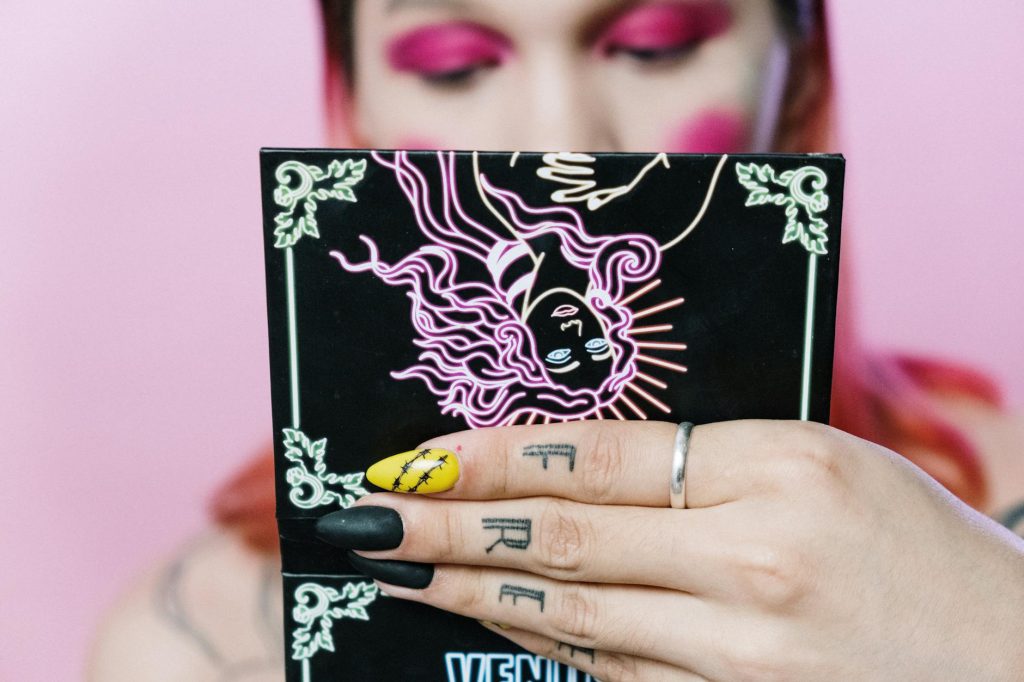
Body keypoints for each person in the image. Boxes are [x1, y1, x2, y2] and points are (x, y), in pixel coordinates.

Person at [89, 1, 1024, 680]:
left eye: (653, 46)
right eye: (455, 64)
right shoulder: (194, 645)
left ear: (800, 57)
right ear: (356, 101)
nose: (561, 138)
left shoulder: (994, 555)